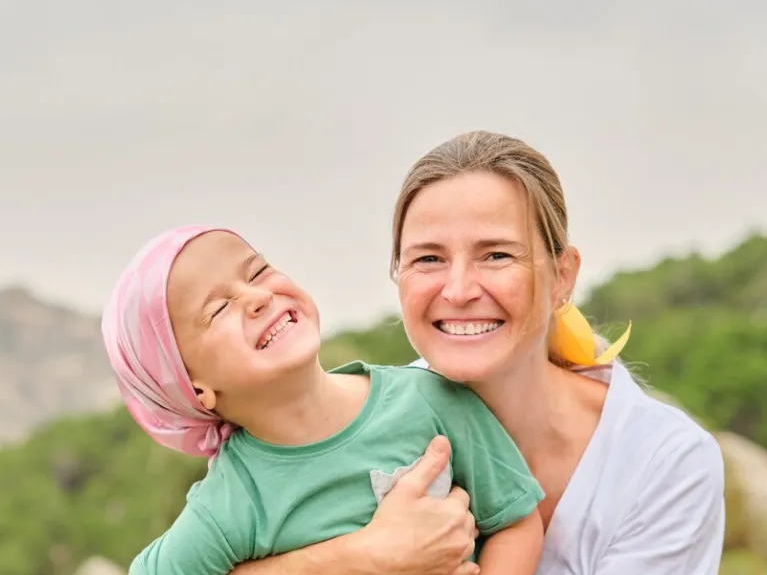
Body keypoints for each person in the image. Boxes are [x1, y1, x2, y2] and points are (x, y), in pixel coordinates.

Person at [229, 131, 726, 575]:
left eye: (497, 254)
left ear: (563, 277)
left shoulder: (664, 463)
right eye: (428, 258)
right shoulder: (347, 421)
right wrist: (363, 556)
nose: (460, 289)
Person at [101, 225, 547, 575]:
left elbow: (516, 521)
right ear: (193, 389)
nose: (257, 297)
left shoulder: (431, 397)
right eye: (218, 309)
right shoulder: (234, 498)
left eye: (257, 271)